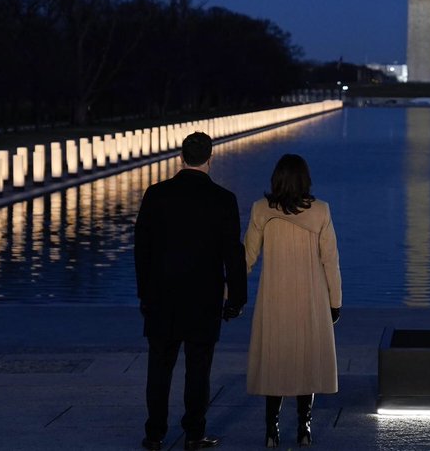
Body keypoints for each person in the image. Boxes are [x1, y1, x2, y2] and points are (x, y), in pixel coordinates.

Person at [134, 131, 248, 451]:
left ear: (180, 158)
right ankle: (194, 433)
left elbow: (141, 250)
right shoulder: (223, 199)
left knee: (159, 367)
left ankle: (155, 434)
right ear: (211, 159)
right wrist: (236, 299)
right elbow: (232, 255)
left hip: (161, 297)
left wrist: (144, 294)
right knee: (199, 368)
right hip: (203, 298)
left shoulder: (156, 195)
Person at [245, 154, 342, 447]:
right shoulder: (321, 211)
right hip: (311, 298)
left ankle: (271, 431)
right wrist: (334, 302)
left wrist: (229, 293)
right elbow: (330, 262)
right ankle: (304, 428)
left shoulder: (261, 210)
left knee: (275, 362)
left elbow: (247, 257)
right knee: (306, 362)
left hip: (274, 298)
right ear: (305, 179)